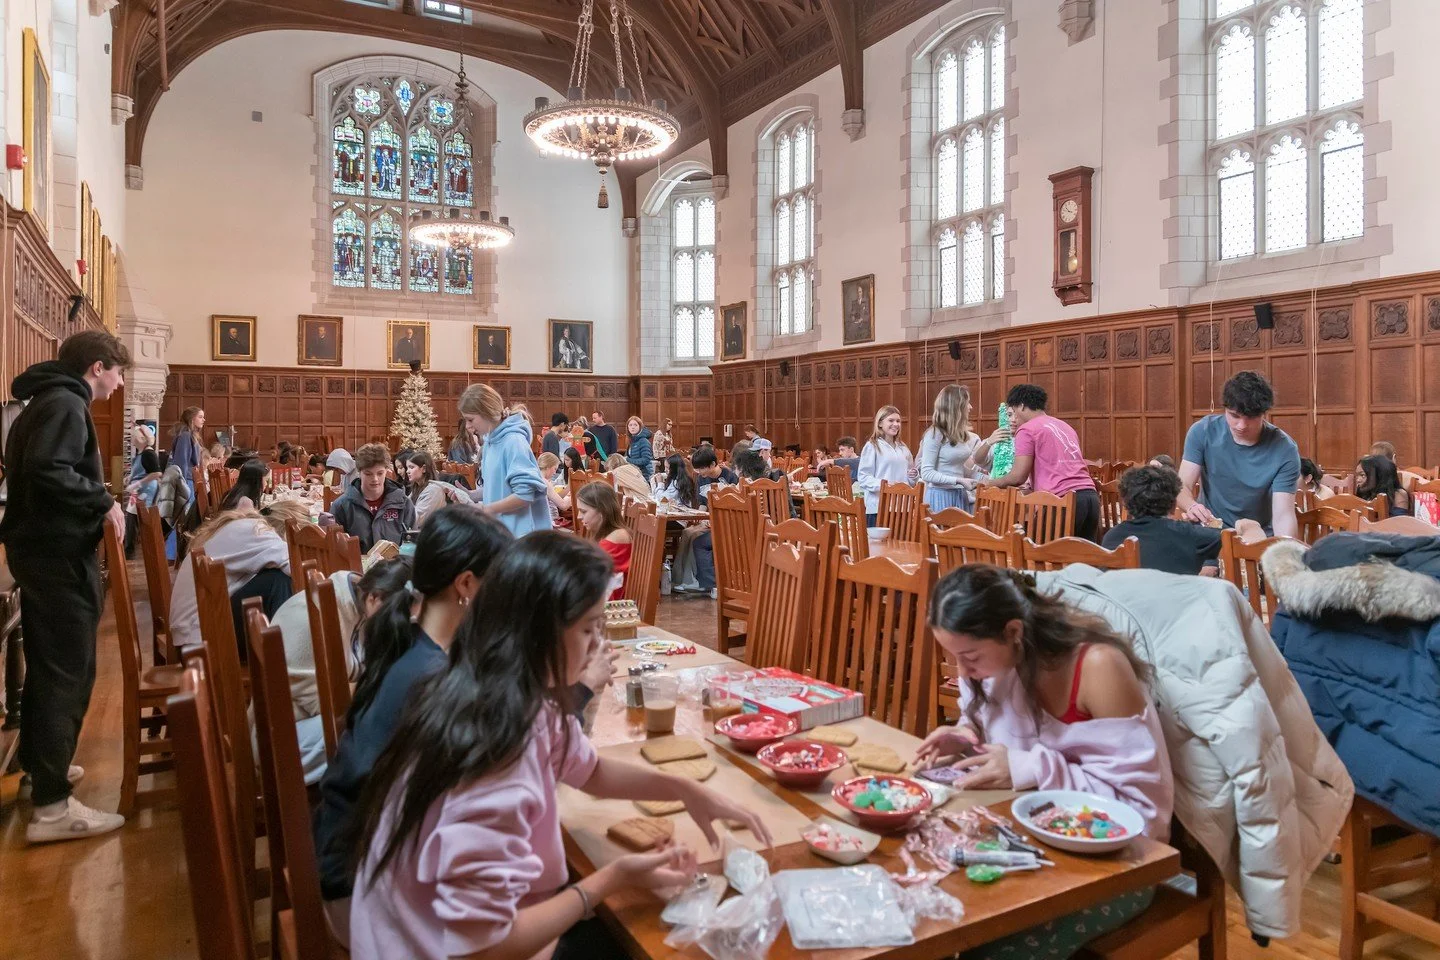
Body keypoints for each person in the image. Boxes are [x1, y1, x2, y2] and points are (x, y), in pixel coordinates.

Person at [347, 532, 770, 958]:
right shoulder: (494, 758)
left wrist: (684, 789)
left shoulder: (510, 693)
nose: (600, 643)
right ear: (537, 634)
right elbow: (482, 949)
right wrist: (610, 880)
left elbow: (589, 770)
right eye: (589, 628)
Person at [916, 565, 1173, 960]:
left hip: (1119, 866)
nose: (963, 671)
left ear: (1013, 631)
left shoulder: (1097, 667)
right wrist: (967, 735)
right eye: (955, 657)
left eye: (969, 657)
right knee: (925, 906)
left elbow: (1141, 816)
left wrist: (1029, 767)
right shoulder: (995, 663)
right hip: (1029, 842)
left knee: (988, 948)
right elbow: (993, 725)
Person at [314, 509, 518, 942]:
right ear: (466, 585)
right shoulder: (430, 676)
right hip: (363, 890)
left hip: (355, 856)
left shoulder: (411, 636)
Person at [0, 331, 130, 842]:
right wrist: (103, 500)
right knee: (67, 671)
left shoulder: (49, 399)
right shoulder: (65, 405)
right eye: (117, 372)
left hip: (41, 551)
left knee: (50, 666)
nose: (119, 383)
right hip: (55, 555)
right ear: (97, 367)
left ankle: (41, 770)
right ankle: (53, 809)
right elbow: (48, 469)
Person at [270, 559, 411, 783]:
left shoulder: (359, 601)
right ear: (374, 597)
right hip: (285, 736)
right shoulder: (311, 618)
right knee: (391, 726)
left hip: (317, 717)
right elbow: (323, 702)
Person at [168, 501, 311, 651]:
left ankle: (287, 650)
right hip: (200, 639)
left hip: (190, 632)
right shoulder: (257, 532)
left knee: (277, 581)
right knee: (280, 580)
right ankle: (292, 653)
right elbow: (295, 568)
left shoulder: (242, 526)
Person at [1177, 371, 1300, 538]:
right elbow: (1182, 485)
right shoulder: (1203, 431)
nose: (1241, 425)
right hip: (1209, 531)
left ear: (1264, 413)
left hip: (1258, 536)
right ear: (1225, 409)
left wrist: (1284, 549)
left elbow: (1283, 515)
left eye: (1251, 418)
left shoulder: (1284, 449)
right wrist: (1191, 506)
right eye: (1234, 416)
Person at [985, 385, 1101, 542]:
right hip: (1090, 498)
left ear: (1022, 406)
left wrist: (988, 483)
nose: (1013, 418)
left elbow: (1018, 477)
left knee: (1041, 554)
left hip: (1060, 501)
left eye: (1013, 411)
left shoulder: (1027, 429)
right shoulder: (1065, 426)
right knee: (1082, 556)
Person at [459, 383, 552, 536]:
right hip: (502, 532)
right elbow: (501, 488)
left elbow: (525, 495)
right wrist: (471, 495)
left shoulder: (513, 442)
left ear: (487, 413)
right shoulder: (490, 442)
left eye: (470, 420)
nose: (468, 426)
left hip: (521, 536)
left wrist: (487, 509)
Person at [1103, 466, 1230, 576]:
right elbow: (1226, 538)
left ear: (1126, 504)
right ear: (1173, 504)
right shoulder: (1189, 534)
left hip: (1124, 596)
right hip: (1175, 596)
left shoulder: (1112, 536)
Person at [331, 443, 416, 552]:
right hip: (357, 562)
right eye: (368, 474)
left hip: (394, 562)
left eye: (380, 473)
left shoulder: (403, 503)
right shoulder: (341, 506)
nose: (375, 479)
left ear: (387, 471)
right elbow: (335, 549)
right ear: (359, 472)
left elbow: (411, 544)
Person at [919, 384, 984, 512]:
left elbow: (957, 468)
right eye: (967, 403)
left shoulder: (958, 434)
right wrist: (958, 480)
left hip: (959, 494)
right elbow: (926, 473)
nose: (970, 407)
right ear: (956, 407)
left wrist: (985, 479)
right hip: (941, 495)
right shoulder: (935, 434)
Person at [858, 406, 914, 525]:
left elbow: (910, 479)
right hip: (879, 507)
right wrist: (885, 485)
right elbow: (863, 478)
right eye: (891, 420)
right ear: (880, 423)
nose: (896, 424)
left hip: (902, 507)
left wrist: (913, 476)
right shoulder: (872, 446)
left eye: (898, 421)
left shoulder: (903, 448)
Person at [577, 481, 631, 600]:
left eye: (583, 511)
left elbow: (591, 574)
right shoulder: (608, 534)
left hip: (606, 604)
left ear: (602, 511)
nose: (578, 516)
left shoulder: (617, 537)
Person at [405, 451, 474, 525]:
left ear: (424, 468)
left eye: (411, 467)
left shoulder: (433, 490)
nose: (407, 471)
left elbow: (417, 520)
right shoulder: (417, 488)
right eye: (407, 468)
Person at [170, 406, 206, 493]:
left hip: (192, 478)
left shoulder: (191, 435)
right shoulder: (185, 436)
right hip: (186, 479)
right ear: (192, 419)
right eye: (200, 417)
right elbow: (182, 461)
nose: (203, 420)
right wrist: (182, 484)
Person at [535, 453, 573, 527]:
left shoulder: (536, 477)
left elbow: (554, 498)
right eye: (555, 468)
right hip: (548, 521)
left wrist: (568, 488)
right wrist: (575, 494)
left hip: (539, 520)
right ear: (548, 467)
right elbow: (564, 506)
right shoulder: (544, 483)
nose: (555, 472)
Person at [625, 416, 654, 480]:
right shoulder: (631, 441)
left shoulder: (643, 441)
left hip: (644, 475)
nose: (632, 427)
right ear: (628, 428)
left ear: (640, 427)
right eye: (630, 425)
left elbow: (646, 460)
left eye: (635, 425)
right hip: (635, 473)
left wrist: (628, 460)